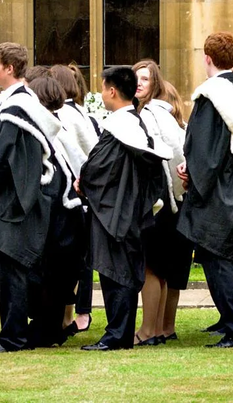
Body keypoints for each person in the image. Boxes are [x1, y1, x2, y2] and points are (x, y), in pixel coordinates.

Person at [177, 32, 233, 348]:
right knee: (230, 261)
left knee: (219, 263)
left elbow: (201, 148)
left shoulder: (210, 96)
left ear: (207, 58)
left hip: (214, 193)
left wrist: (190, 174)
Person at [0, 43, 62, 353]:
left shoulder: (15, 110)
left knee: (11, 273)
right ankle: (22, 333)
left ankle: (12, 337)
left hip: (15, 202)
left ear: (10, 68)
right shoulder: (26, 104)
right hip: (25, 198)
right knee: (13, 272)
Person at [77, 67, 169, 351]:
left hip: (114, 213)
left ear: (112, 91)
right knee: (125, 272)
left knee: (116, 273)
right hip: (132, 212)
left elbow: (97, 169)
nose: (102, 93)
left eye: (104, 88)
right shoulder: (137, 125)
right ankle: (121, 332)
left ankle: (116, 335)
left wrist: (84, 181)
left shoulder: (119, 128)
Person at [27, 75, 89, 350]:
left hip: (60, 212)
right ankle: (50, 329)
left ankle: (46, 329)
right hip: (67, 211)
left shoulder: (51, 130)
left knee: (50, 276)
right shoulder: (54, 128)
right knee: (54, 277)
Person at [131, 60, 189, 346]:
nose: (139, 83)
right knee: (159, 269)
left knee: (152, 268)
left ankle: (149, 329)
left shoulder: (154, 113)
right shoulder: (149, 112)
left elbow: (176, 153)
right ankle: (160, 328)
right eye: (136, 79)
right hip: (165, 200)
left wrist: (176, 193)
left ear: (155, 84)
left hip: (160, 201)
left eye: (145, 79)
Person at [48, 65, 99, 339]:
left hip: (75, 192)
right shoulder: (80, 113)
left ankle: (76, 314)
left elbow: (86, 152)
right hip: (83, 192)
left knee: (77, 260)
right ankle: (78, 313)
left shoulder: (67, 114)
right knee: (81, 259)